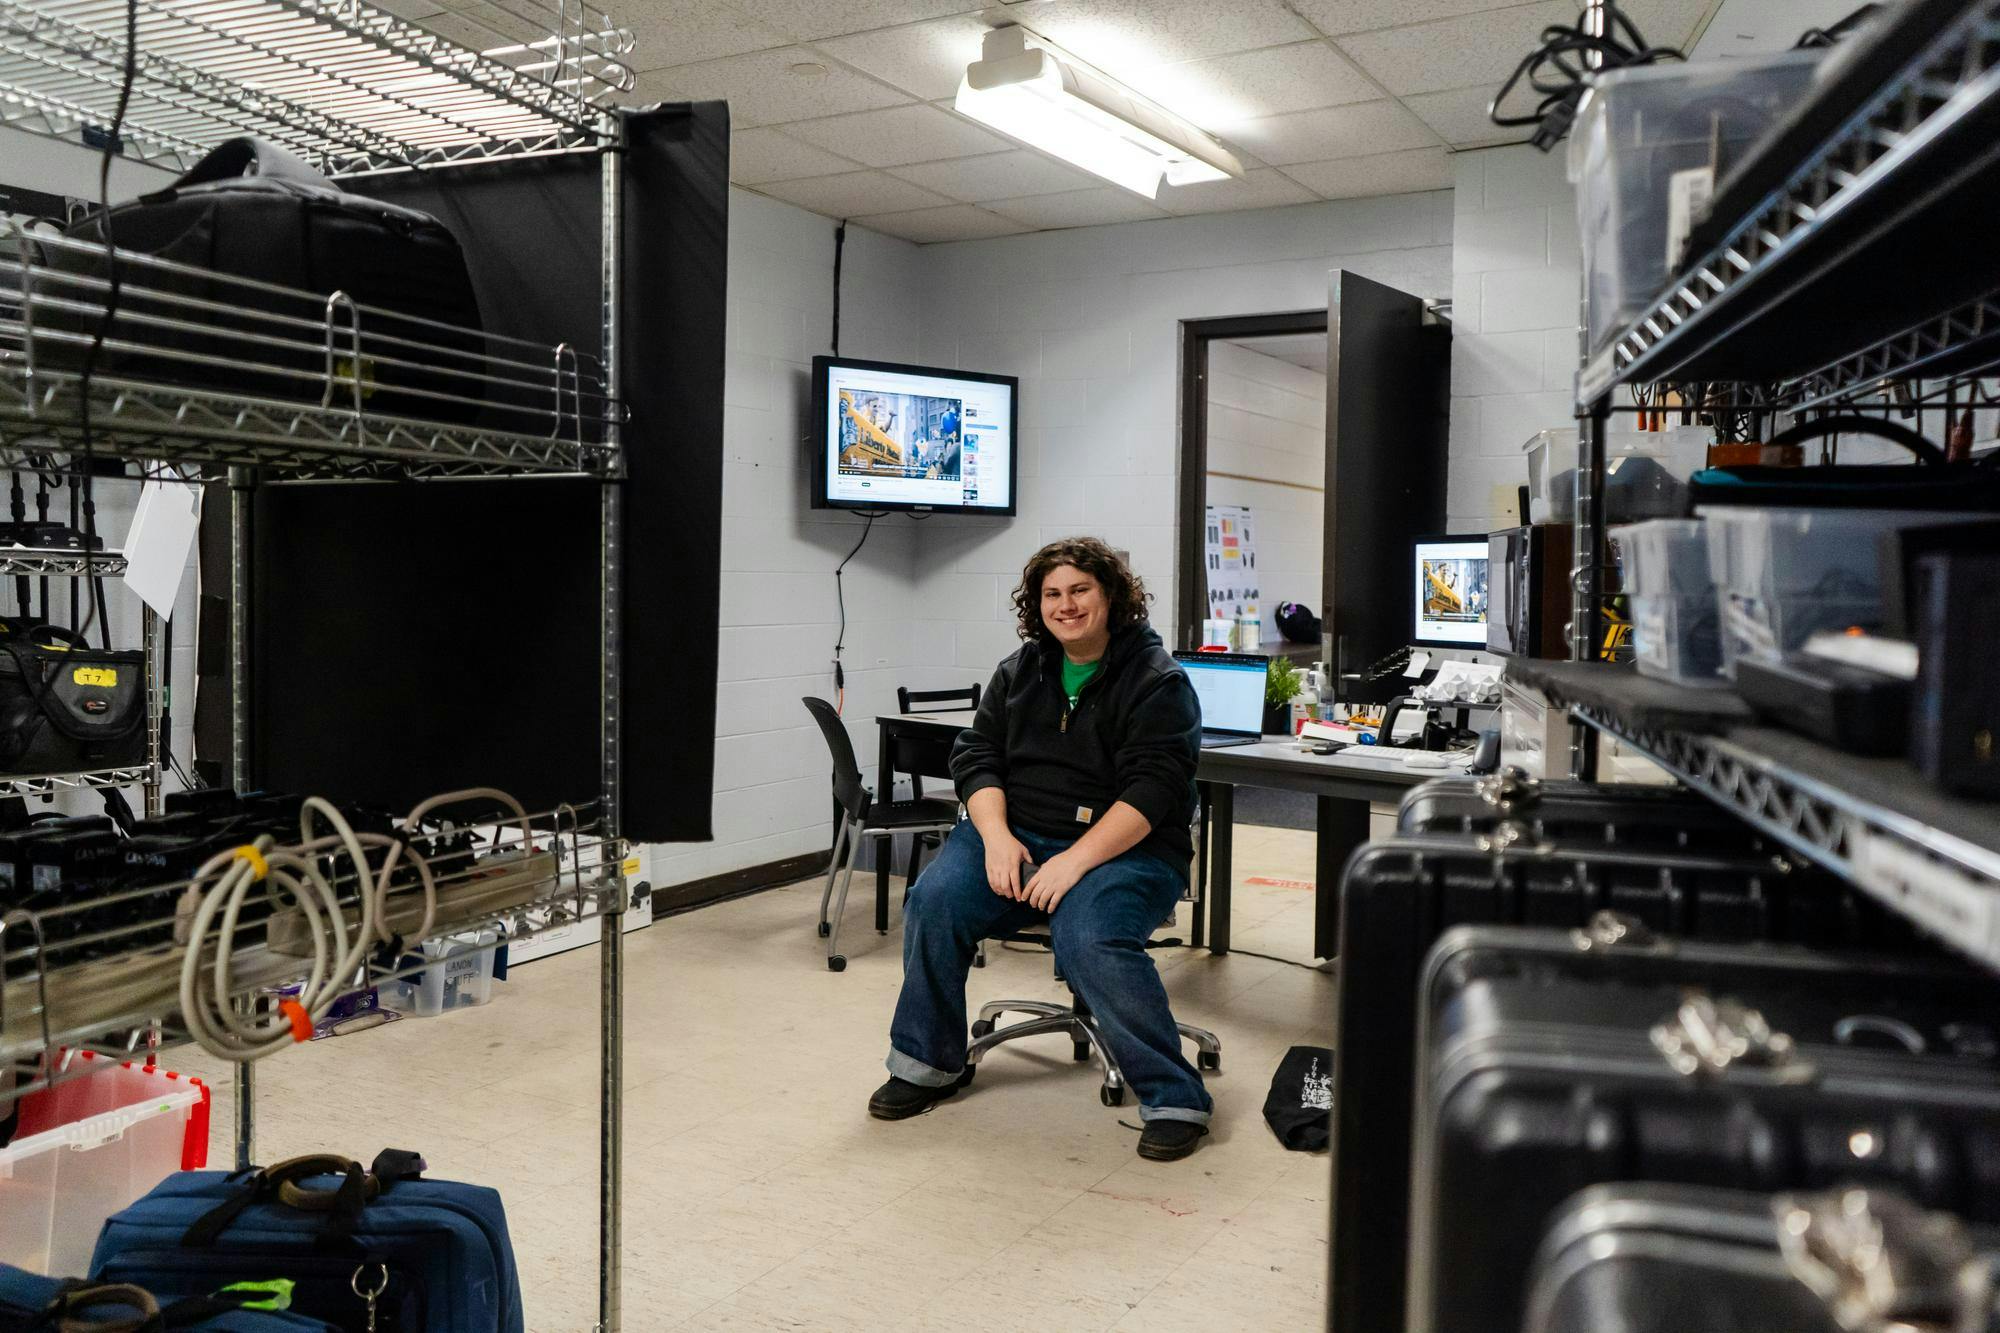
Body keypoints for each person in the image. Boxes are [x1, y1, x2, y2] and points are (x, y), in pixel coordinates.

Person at [868, 537, 1212, 1160]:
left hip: (1125, 850)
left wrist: (1074, 860)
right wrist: (996, 839)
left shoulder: (1158, 681)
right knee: (935, 900)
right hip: (1016, 834)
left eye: (1080, 589)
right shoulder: (1020, 670)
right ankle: (927, 1064)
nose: (1066, 605)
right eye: (1052, 594)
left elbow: (1155, 790)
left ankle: (1173, 1094)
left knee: (1090, 937)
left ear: (1111, 596)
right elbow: (975, 755)